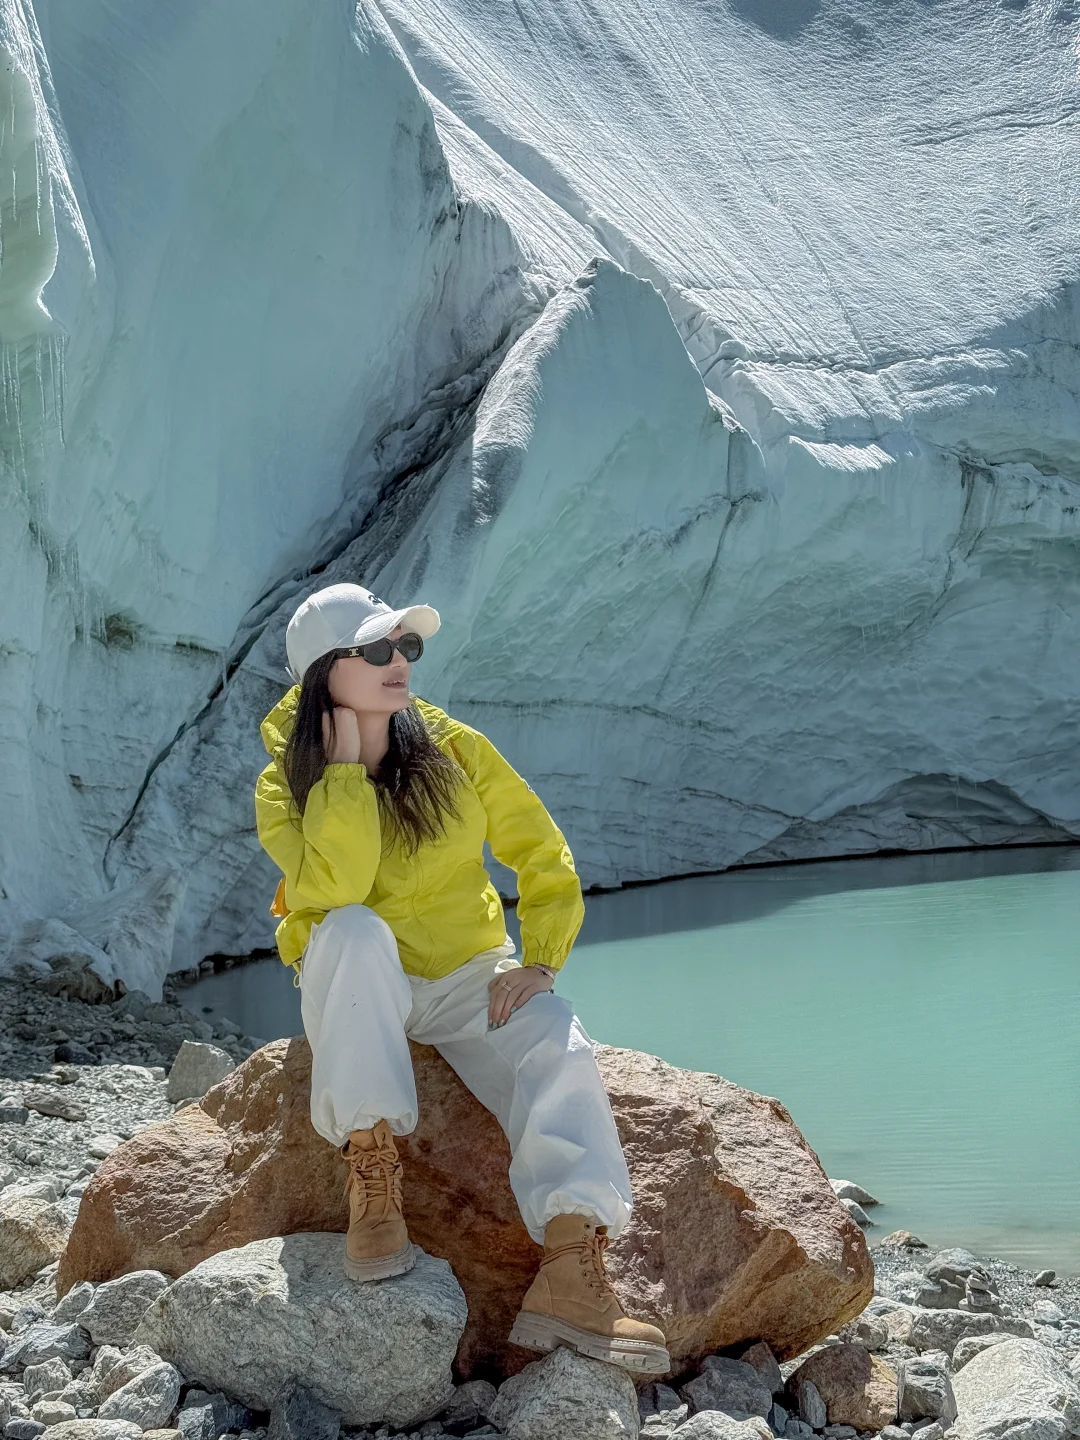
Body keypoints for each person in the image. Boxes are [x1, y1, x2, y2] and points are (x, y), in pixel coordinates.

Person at [253, 581, 669, 1375]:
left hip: (463, 973)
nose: (400, 660)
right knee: (351, 925)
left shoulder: (453, 747)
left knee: (556, 1036)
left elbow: (540, 850)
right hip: (357, 978)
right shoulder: (284, 781)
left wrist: (541, 958)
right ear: (322, 675)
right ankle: (372, 1174)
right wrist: (343, 774)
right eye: (377, 649)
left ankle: (570, 1266)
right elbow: (335, 887)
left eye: (406, 645)